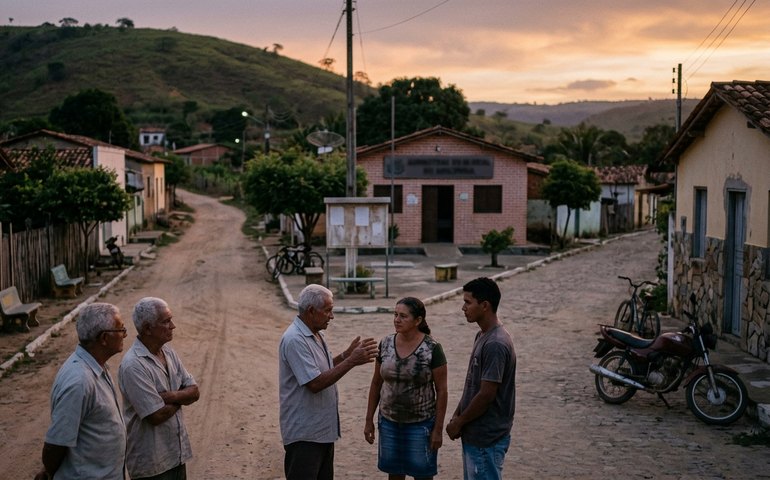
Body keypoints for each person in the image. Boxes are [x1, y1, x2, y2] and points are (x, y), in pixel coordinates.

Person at [279, 284, 378, 480]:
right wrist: (351, 361)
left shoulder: (316, 334)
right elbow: (314, 383)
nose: (331, 316)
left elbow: (321, 370)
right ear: (311, 311)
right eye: (327, 311)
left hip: (321, 431)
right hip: (305, 435)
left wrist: (345, 356)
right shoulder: (295, 339)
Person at [35, 302, 128, 480]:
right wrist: (49, 472)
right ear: (104, 338)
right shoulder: (79, 381)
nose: (124, 334)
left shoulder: (96, 366)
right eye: (121, 329)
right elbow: (55, 444)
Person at [364, 297, 448, 480]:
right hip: (389, 423)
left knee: (422, 475)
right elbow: (376, 383)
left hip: (421, 425)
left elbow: (442, 391)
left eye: (403, 316)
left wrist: (438, 429)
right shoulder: (385, 344)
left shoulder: (431, 349)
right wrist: (369, 419)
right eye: (395, 315)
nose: (396, 320)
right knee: (394, 475)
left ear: (418, 320)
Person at [118, 297, 200, 480]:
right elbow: (155, 416)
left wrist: (168, 396)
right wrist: (182, 398)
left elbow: (195, 391)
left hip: (175, 455)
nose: (173, 326)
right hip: (151, 464)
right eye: (166, 321)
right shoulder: (133, 365)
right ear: (147, 328)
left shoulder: (168, 352)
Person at [446, 278, 516, 480]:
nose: (463, 308)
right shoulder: (482, 336)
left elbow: (486, 394)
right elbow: (472, 384)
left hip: (487, 438)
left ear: (485, 306)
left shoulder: (495, 343)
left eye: (468, 302)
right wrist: (457, 415)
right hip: (475, 434)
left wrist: (460, 422)